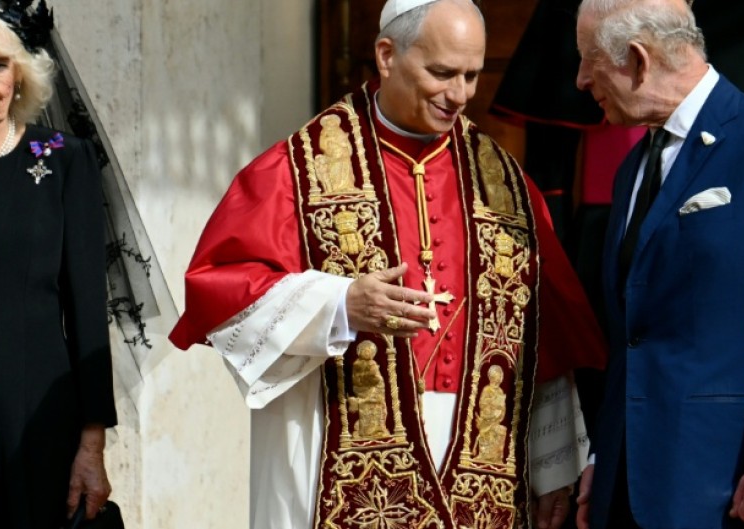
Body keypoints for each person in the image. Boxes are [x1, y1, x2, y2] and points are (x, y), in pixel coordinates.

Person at [168, 0, 607, 527]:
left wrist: (552, 467)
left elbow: (545, 339)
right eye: (442, 73)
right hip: (337, 449)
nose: (460, 95)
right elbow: (223, 293)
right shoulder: (296, 172)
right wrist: (338, 304)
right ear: (385, 55)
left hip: (483, 460)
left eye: (471, 75)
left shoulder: (507, 186)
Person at [571, 0, 744, 528]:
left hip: (730, 491)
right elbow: (633, 333)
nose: (582, 79)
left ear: (637, 58)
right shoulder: (633, 167)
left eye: (588, 59)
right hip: (627, 489)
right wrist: (604, 456)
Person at [0, 2, 117, 528]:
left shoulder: (65, 160)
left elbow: (88, 312)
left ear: (20, 75)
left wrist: (92, 445)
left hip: (36, 424)